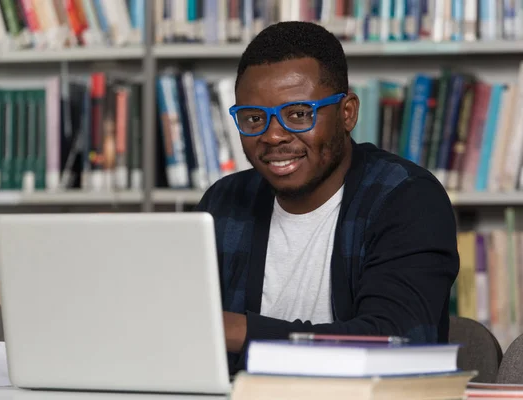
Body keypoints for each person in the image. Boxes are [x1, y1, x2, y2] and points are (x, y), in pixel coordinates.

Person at [195, 21, 459, 374]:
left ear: (347, 113)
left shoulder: (407, 199)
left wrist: (233, 329)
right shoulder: (224, 203)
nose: (273, 136)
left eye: (299, 114)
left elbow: (396, 342)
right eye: (254, 118)